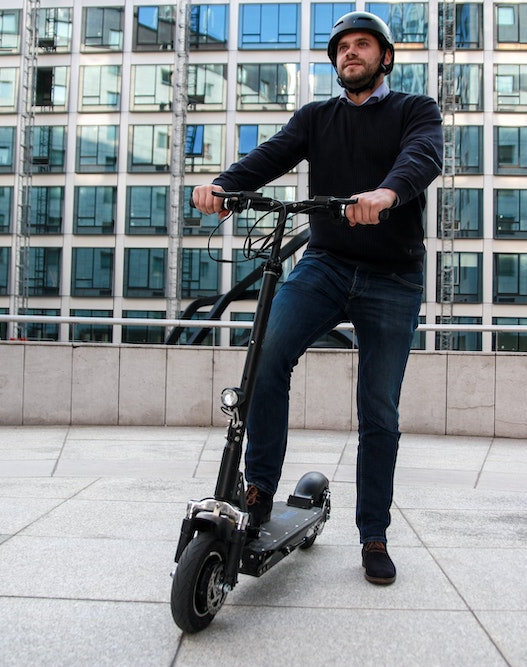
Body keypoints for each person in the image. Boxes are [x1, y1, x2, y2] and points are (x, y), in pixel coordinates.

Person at [192, 11, 443, 586]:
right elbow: (270, 157)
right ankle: (257, 493)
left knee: (378, 407)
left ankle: (373, 532)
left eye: (362, 45)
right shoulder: (316, 118)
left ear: (384, 58)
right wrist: (225, 187)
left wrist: (387, 192)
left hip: (393, 278)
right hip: (326, 265)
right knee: (267, 356)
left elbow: (422, 157)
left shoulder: (414, 110)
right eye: (342, 49)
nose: (350, 54)